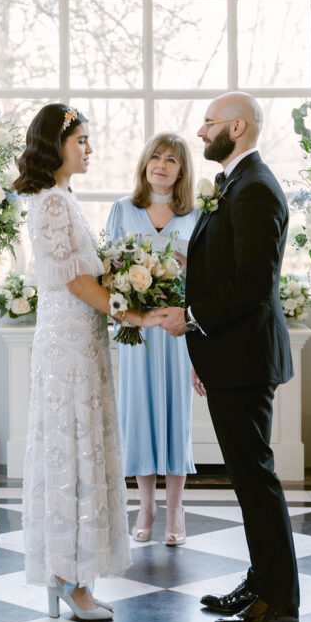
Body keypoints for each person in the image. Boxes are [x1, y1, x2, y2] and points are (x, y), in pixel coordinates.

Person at [158, 92, 299, 622]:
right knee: (247, 479)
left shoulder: (256, 189)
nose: (200, 132)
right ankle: (262, 581)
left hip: (245, 359)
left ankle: (279, 600)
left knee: (255, 479)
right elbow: (229, 269)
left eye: (209, 123)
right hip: (230, 356)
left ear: (237, 127)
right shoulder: (237, 185)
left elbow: (254, 285)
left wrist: (191, 318)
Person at [14, 103, 162, 622]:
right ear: (57, 145)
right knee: (71, 450)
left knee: (79, 447)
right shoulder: (52, 203)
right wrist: (134, 314)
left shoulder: (61, 198)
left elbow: (86, 274)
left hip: (79, 339)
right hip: (68, 347)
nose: (89, 149)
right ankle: (71, 580)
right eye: (82, 140)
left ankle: (70, 576)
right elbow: (78, 282)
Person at [106, 133, 200, 546]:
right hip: (138, 332)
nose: (162, 165)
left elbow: (205, 281)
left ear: (182, 171)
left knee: (177, 418)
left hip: (179, 332)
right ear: (145, 163)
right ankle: (145, 506)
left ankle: (176, 509)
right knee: (139, 416)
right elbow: (107, 271)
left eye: (172, 160)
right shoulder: (123, 210)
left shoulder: (196, 216)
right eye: (156, 157)